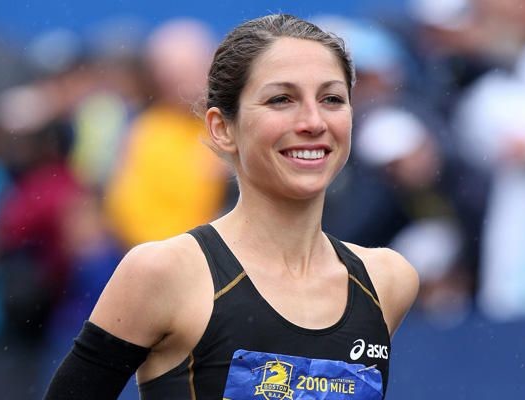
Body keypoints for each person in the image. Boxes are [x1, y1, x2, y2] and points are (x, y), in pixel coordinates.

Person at [44, 14, 419, 399]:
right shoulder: (165, 273)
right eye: (281, 99)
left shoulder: (387, 281)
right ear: (222, 128)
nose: (313, 121)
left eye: (332, 99)